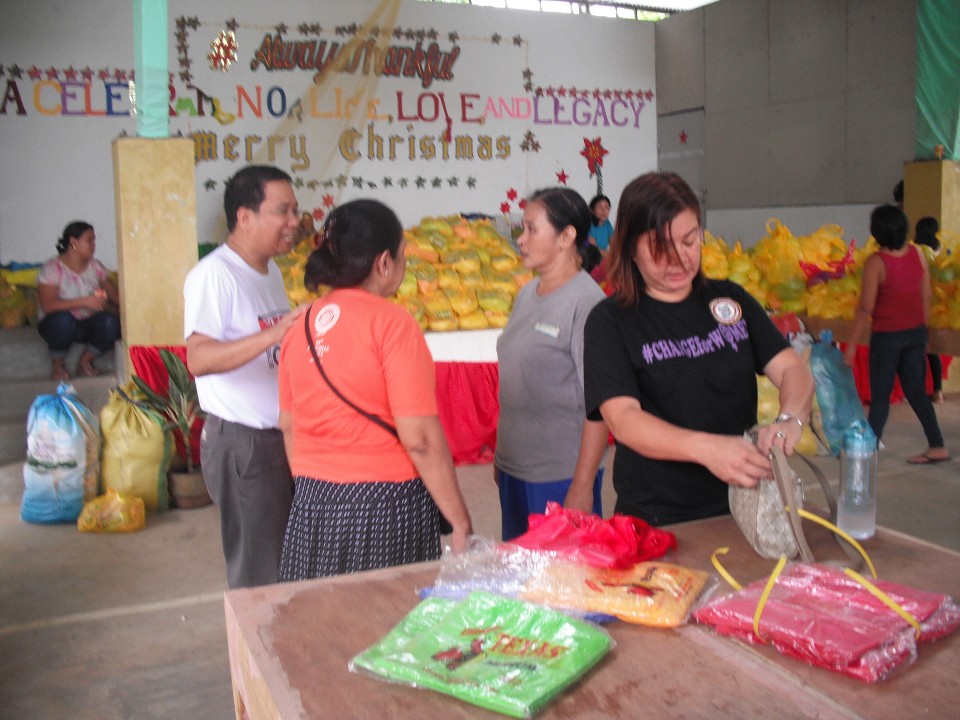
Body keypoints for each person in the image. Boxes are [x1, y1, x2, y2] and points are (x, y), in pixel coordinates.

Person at [566, 172, 814, 526]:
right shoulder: (610, 322)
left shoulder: (731, 300)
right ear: (631, 247)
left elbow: (792, 369)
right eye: (659, 248)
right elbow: (624, 421)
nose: (679, 260)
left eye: (689, 241)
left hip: (744, 508)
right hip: (657, 517)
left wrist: (790, 420)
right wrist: (707, 449)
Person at [277, 199, 472, 581]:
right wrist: (459, 520)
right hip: (385, 503)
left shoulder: (298, 325)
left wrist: (315, 489)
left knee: (319, 625)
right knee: (388, 626)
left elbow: (288, 424)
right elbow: (420, 439)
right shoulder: (393, 325)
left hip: (312, 504)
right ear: (383, 263)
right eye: (402, 258)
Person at [184, 165, 306, 589]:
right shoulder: (214, 276)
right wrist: (273, 333)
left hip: (275, 438)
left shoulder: (268, 270)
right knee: (259, 572)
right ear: (245, 216)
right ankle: (256, 653)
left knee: (282, 562)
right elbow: (198, 358)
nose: (294, 222)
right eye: (283, 211)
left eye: (295, 211)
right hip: (243, 445)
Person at [495, 187, 608, 540]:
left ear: (567, 237)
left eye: (531, 229)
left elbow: (601, 403)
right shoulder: (529, 292)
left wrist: (583, 485)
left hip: (560, 474)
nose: (521, 240)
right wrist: (503, 459)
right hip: (515, 468)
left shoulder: (586, 302)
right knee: (521, 582)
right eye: (521, 229)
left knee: (561, 584)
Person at [844, 205, 949, 465]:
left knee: (880, 398)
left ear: (877, 233)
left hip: (887, 338)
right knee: (915, 392)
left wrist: (852, 344)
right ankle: (937, 445)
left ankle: (867, 452)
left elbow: (866, 307)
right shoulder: (917, 254)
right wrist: (921, 331)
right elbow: (925, 295)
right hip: (915, 334)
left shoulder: (876, 262)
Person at [37, 221, 121, 380]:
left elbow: (114, 296)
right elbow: (47, 306)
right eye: (89, 240)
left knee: (112, 322)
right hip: (57, 325)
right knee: (63, 320)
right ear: (73, 242)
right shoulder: (53, 268)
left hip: (86, 324)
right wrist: (85, 302)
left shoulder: (95, 267)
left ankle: (85, 361)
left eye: (94, 240)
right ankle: (58, 363)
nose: (93, 245)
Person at [914, 216, 944, 403]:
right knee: (933, 350)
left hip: (917, 302)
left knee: (918, 349)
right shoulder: (939, 251)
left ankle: (920, 390)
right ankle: (938, 391)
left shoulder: (915, 250)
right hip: (937, 304)